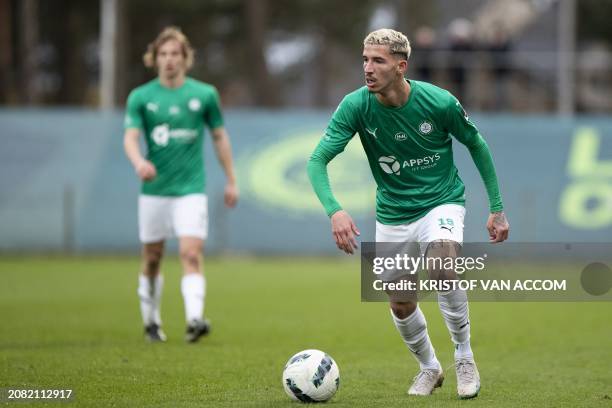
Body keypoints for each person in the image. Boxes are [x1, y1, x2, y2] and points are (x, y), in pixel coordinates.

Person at [307, 28, 509, 399]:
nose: (368, 68)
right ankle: (430, 368)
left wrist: (496, 208)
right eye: (365, 59)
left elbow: (477, 145)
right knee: (401, 303)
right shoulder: (355, 105)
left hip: (441, 202)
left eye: (378, 61)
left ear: (401, 66)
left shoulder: (439, 102)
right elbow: (318, 160)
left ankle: (464, 356)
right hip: (394, 213)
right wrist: (334, 211)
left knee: (443, 265)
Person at [123, 26, 238, 343]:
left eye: (175, 54)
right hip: (154, 192)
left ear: (185, 59)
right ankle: (151, 322)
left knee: (190, 253)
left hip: (191, 190)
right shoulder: (141, 97)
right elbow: (131, 138)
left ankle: (194, 319)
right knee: (152, 257)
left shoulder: (204, 95)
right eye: (164, 54)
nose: (169, 60)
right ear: (154, 58)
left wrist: (231, 179)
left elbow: (219, 138)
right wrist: (139, 162)